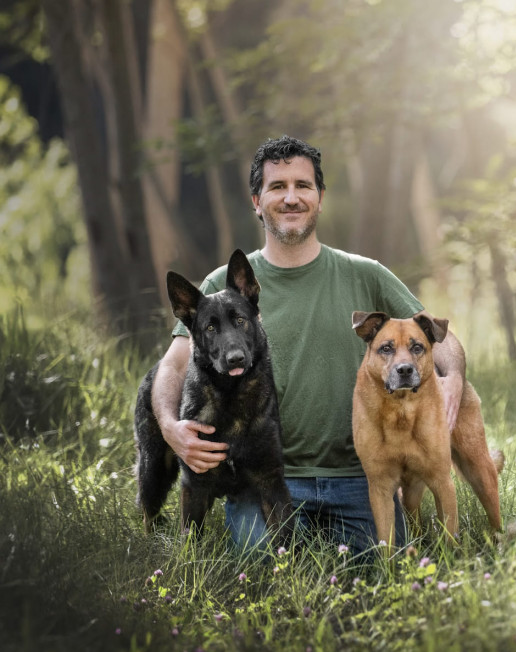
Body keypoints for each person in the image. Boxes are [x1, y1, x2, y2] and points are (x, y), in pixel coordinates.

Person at [150, 135, 466, 555]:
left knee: (381, 571)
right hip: (261, 475)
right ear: (256, 201)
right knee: (262, 570)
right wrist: (171, 428)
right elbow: (172, 366)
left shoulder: (365, 274)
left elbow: (442, 340)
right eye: (277, 187)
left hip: (360, 475)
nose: (291, 197)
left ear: (320, 197)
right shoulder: (221, 288)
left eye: (303, 186)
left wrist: (453, 378)